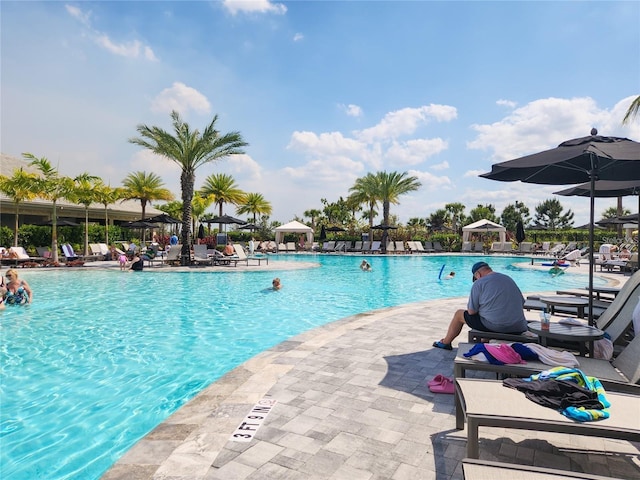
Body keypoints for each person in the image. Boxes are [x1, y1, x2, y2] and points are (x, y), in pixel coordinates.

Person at [433, 261, 527, 350]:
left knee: (459, 314)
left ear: (477, 274)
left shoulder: (479, 283)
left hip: (498, 327)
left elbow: (471, 311)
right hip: (519, 327)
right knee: (486, 315)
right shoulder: (508, 279)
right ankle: (484, 340)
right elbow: (523, 303)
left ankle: (445, 342)